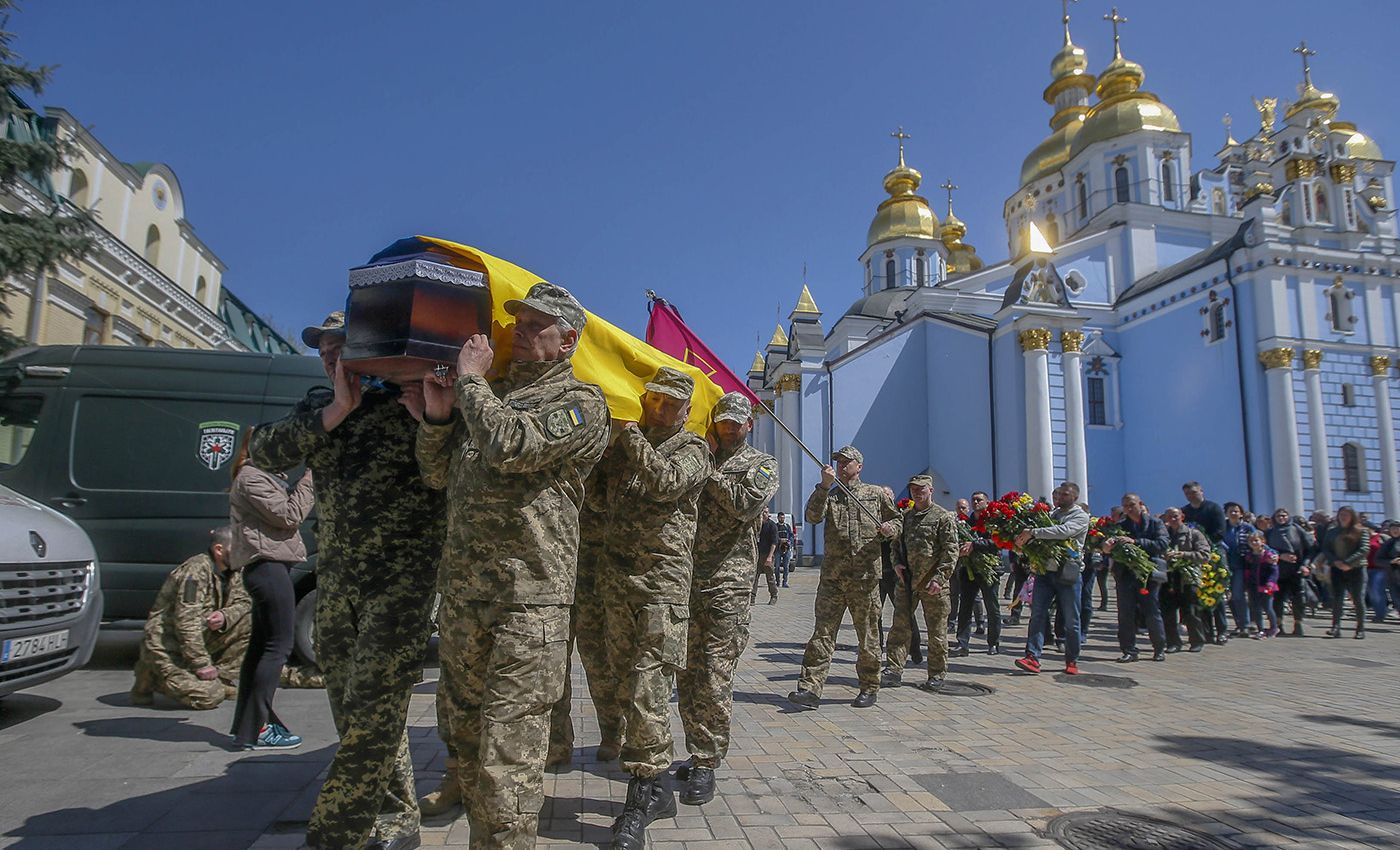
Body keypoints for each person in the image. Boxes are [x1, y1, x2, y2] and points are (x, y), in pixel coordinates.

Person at [417, 283, 610, 849]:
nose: (518, 331)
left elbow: (509, 447)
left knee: (509, 758)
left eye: (535, 325)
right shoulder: (492, 397)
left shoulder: (582, 403)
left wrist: (471, 383)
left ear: (567, 339)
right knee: (463, 736)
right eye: (516, 321)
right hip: (464, 598)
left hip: (530, 603)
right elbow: (437, 474)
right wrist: (436, 416)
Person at [250, 310, 445, 850]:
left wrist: (432, 417)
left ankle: (338, 832)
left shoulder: (410, 399)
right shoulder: (320, 406)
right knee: (356, 709)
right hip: (337, 580)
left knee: (377, 705)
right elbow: (262, 452)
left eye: (341, 344)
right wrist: (335, 410)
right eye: (323, 347)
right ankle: (397, 814)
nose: (331, 354)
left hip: (402, 581)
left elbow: (450, 469)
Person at [597, 365, 711, 850]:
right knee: (624, 683)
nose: (659, 408)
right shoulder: (625, 446)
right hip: (617, 580)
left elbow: (665, 482)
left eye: (670, 402)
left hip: (662, 586)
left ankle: (642, 793)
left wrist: (629, 438)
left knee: (650, 686)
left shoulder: (695, 449)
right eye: (653, 399)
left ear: (687, 410)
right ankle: (657, 783)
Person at [676, 392, 779, 806]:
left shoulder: (762, 465)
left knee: (715, 673)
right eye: (724, 421)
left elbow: (742, 504)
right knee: (686, 669)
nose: (730, 427)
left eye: (737, 422)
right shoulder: (698, 457)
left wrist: (708, 471)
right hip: (688, 579)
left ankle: (707, 760)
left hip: (729, 583)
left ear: (749, 424)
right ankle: (696, 746)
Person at [788, 445, 900, 710]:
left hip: (864, 578)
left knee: (868, 636)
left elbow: (897, 522)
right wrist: (823, 487)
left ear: (859, 466)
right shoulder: (831, 494)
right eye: (838, 462)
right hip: (833, 579)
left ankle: (869, 686)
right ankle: (810, 689)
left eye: (846, 462)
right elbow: (812, 516)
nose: (841, 466)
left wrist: (889, 529)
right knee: (822, 634)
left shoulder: (874, 495)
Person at [227, 435, 316, 750]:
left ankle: (246, 725)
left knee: (260, 648)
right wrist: (311, 477)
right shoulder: (252, 479)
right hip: (267, 567)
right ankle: (260, 727)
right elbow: (290, 515)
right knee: (278, 646)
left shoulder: (261, 478)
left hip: (270, 566)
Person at [130, 526, 250, 710]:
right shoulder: (195, 572)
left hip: (200, 639)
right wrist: (201, 664)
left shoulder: (234, 570)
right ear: (219, 550)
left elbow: (245, 601)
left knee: (250, 621)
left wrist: (226, 616)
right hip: (168, 645)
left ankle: (220, 679)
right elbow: (186, 622)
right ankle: (152, 676)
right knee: (209, 697)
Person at [881, 475, 957, 690]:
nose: (916, 492)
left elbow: (950, 551)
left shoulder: (943, 517)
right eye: (913, 489)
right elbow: (895, 545)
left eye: (921, 488)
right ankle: (894, 669)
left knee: (936, 632)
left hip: (933, 585)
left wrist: (940, 578)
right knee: (899, 628)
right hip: (907, 583)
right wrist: (896, 564)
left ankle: (936, 674)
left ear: (930, 489)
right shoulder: (906, 516)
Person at [1013, 482, 1089, 675]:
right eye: (1059, 494)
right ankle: (1032, 657)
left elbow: (1063, 532)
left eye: (1066, 494)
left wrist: (1034, 533)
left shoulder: (1080, 516)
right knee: (1037, 614)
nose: (1061, 497)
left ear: (1075, 497)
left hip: (1067, 573)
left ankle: (1072, 659)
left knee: (1071, 619)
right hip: (1045, 572)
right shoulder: (1052, 515)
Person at [1104, 493, 1168, 663]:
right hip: (1125, 575)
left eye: (1132, 505)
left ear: (1140, 504)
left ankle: (1159, 648)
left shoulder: (1155, 523)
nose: (1129, 509)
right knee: (1125, 614)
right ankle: (1129, 649)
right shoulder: (1121, 526)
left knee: (1151, 612)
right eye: (1125, 506)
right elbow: (1111, 548)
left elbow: (1162, 544)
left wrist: (1135, 542)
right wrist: (1108, 547)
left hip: (1147, 575)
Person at [951, 491, 1001, 656]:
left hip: (988, 570)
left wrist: (975, 545)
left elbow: (998, 542)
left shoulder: (993, 521)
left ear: (987, 502)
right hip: (968, 569)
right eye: (973, 500)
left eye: (979, 499)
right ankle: (962, 643)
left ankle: (993, 643)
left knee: (992, 607)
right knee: (965, 607)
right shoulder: (966, 521)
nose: (975, 502)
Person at [878, 485, 921, 665]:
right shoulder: (871, 517)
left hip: (898, 573)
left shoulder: (901, 517)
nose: (885, 499)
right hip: (877, 574)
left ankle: (915, 648)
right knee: (874, 615)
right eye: (882, 496)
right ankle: (877, 649)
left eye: (888, 496)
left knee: (905, 613)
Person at [1318, 505, 1372, 639]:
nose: (1343, 517)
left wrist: (1348, 563)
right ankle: (1335, 627)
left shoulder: (1361, 531)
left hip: (1356, 568)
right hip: (1336, 568)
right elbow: (1326, 548)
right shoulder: (1332, 531)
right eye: (1341, 514)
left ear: (1352, 516)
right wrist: (1335, 561)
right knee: (1337, 598)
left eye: (1346, 514)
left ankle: (1360, 629)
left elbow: (1364, 549)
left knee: (1358, 598)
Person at [1160, 507, 1208, 653]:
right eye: (1169, 517)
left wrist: (1183, 555)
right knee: (1168, 613)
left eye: (1175, 516)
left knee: (1191, 612)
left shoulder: (1193, 534)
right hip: (1168, 578)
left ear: (1182, 516)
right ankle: (1173, 642)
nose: (1172, 519)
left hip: (1187, 578)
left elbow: (1205, 554)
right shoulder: (1163, 535)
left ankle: (1196, 641)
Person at [1265, 508, 1311, 636]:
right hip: (1277, 570)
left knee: (1299, 598)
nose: (1281, 518)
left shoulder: (1297, 529)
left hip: (1296, 569)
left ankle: (1298, 623)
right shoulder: (1270, 533)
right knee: (1278, 599)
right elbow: (1265, 550)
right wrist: (1280, 556)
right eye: (1279, 516)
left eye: (1284, 515)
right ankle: (1278, 624)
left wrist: (1305, 565)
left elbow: (1310, 548)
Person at [1222, 502, 1256, 637]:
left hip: (1241, 565)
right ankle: (1238, 624)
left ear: (1241, 513)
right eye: (1231, 511)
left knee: (1238, 595)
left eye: (1236, 511)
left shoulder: (1247, 528)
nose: (1233, 513)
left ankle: (1245, 624)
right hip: (1225, 565)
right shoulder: (1223, 527)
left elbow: (1258, 541)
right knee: (1230, 597)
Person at [1242, 532, 1281, 638]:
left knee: (1268, 607)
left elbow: (1274, 571)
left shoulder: (1268, 555)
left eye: (1256, 540)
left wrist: (1271, 582)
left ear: (1262, 541)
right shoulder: (1249, 557)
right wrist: (1246, 582)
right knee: (1256, 607)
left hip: (1266, 586)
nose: (1254, 543)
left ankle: (1274, 627)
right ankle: (1260, 629)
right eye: (1251, 541)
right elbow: (1247, 571)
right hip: (1253, 586)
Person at [752, 507, 779, 604]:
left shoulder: (772, 526)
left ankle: (774, 596)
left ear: (769, 514)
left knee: (770, 577)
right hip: (757, 555)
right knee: (754, 577)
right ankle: (752, 597)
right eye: (762, 512)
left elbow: (774, 543)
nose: (764, 514)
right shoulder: (757, 525)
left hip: (767, 555)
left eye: (766, 512)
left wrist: (769, 557)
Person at [1376, 521, 1400, 624]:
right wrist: (1390, 562)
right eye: (1392, 529)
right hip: (1393, 576)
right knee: (1397, 599)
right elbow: (1378, 559)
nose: (1395, 530)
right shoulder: (1388, 543)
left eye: (1397, 528)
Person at [775, 512, 795, 587]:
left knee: (786, 567)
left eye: (783, 518)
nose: (782, 519)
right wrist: (780, 540)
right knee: (777, 566)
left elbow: (791, 536)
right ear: (778, 518)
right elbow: (774, 536)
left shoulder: (787, 526)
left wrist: (788, 541)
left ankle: (785, 582)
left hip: (786, 549)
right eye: (781, 518)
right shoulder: (775, 527)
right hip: (778, 549)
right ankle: (777, 581)